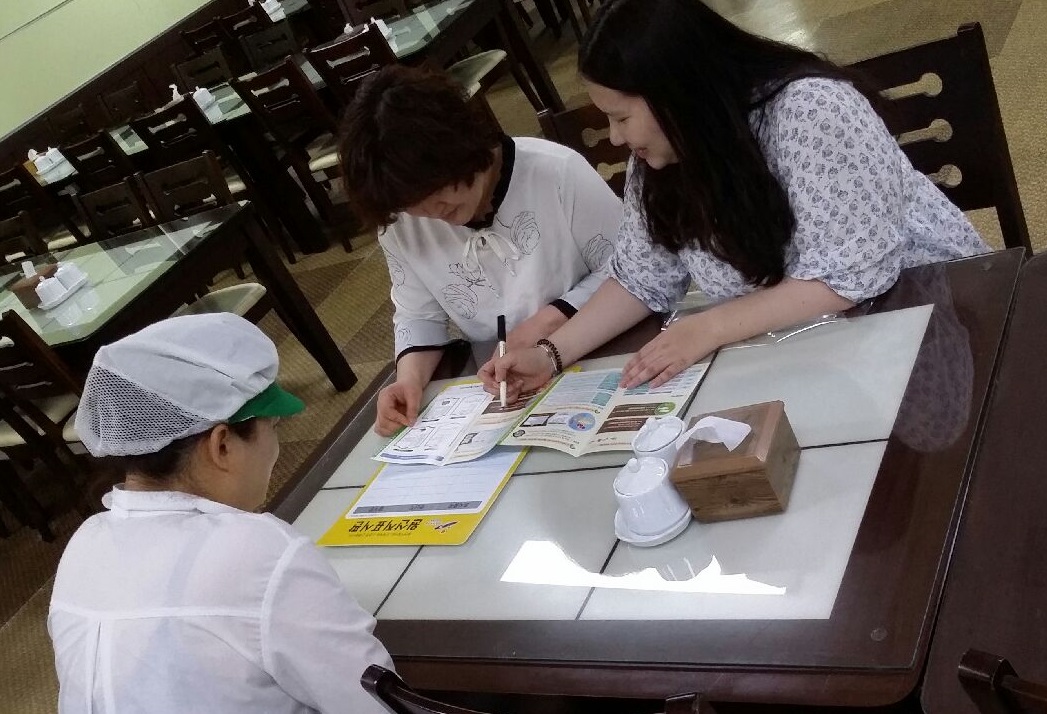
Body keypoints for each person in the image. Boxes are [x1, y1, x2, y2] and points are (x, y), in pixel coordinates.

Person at [481, 0, 989, 400]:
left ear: (680, 94)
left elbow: (850, 274)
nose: (614, 138)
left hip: (920, 310)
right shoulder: (661, 157)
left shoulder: (811, 111)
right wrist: (551, 353)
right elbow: (641, 276)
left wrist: (710, 327)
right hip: (805, 342)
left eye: (620, 117)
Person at [48, 313, 393, 714]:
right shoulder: (261, 550)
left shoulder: (85, 543)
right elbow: (373, 700)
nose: (276, 448)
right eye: (274, 425)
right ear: (222, 445)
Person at [338, 65, 623, 436]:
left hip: (605, 345)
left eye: (433, 190)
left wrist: (550, 318)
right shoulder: (402, 222)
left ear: (458, 146)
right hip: (506, 378)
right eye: (412, 205)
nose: (431, 214)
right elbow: (417, 317)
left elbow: (631, 267)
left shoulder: (555, 172)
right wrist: (408, 379)